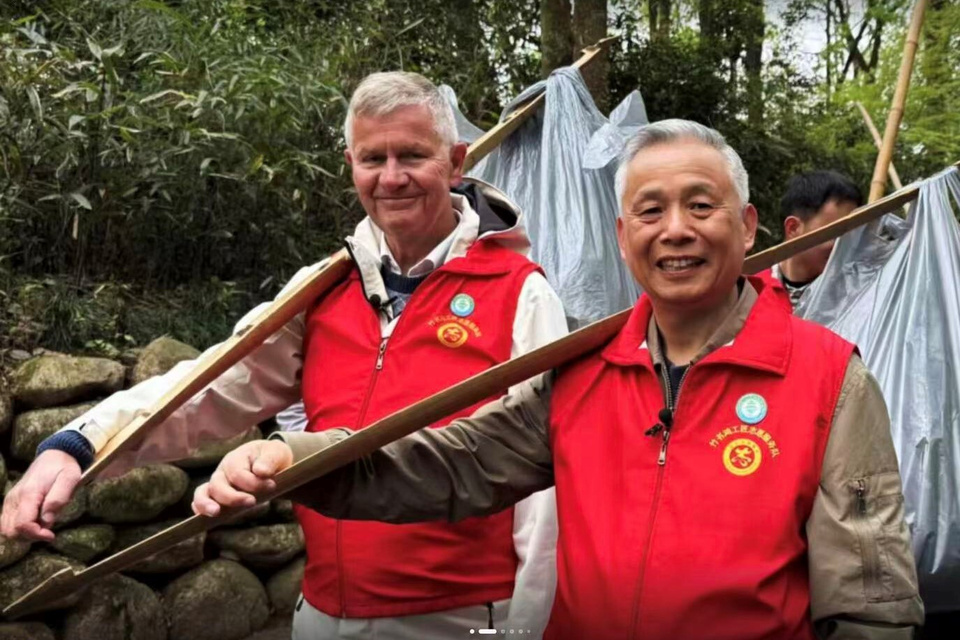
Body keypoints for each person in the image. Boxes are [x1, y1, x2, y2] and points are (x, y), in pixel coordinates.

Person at [195, 119, 924, 640]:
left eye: (701, 206)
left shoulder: (828, 376)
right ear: (624, 239)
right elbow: (449, 464)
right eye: (650, 210)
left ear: (748, 226)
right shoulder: (583, 370)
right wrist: (297, 458)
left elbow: (870, 599)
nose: (676, 229)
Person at [2, 71, 567, 639]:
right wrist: (79, 445)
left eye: (413, 156)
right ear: (351, 164)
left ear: (456, 161)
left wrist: (530, 627)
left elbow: (544, 493)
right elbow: (212, 383)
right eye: (373, 159)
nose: (392, 177)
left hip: (461, 616)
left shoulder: (518, 292)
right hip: (320, 612)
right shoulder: (324, 287)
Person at [769, 170, 864, 307]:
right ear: (793, 228)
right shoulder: (751, 291)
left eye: (850, 235)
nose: (845, 246)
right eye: (835, 233)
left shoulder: (855, 296)